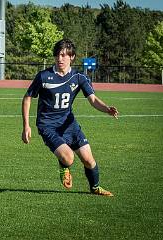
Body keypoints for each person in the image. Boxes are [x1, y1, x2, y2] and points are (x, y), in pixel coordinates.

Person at [21, 39, 118, 197]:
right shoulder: (44, 76)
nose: (60, 59)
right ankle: (64, 165)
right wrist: (26, 126)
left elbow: (93, 99)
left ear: (72, 57)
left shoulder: (79, 77)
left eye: (64, 55)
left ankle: (95, 188)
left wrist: (106, 109)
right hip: (48, 126)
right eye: (58, 55)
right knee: (69, 158)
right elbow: (27, 98)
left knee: (88, 159)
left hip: (69, 124)